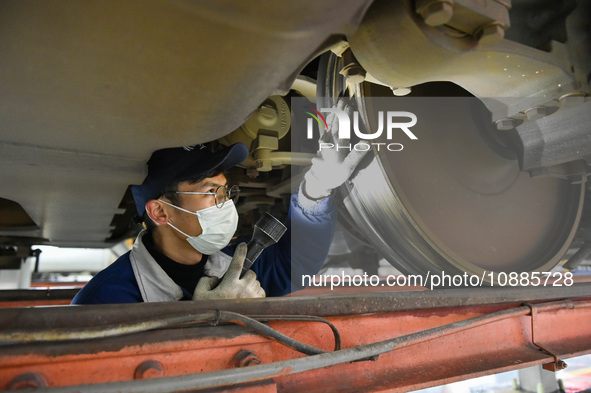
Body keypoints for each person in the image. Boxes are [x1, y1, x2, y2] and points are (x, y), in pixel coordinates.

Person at [72, 101, 366, 304]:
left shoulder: (233, 257)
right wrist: (211, 318)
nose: (226, 205)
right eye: (211, 192)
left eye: (226, 192)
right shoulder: (104, 301)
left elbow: (295, 267)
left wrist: (316, 189)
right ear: (160, 211)